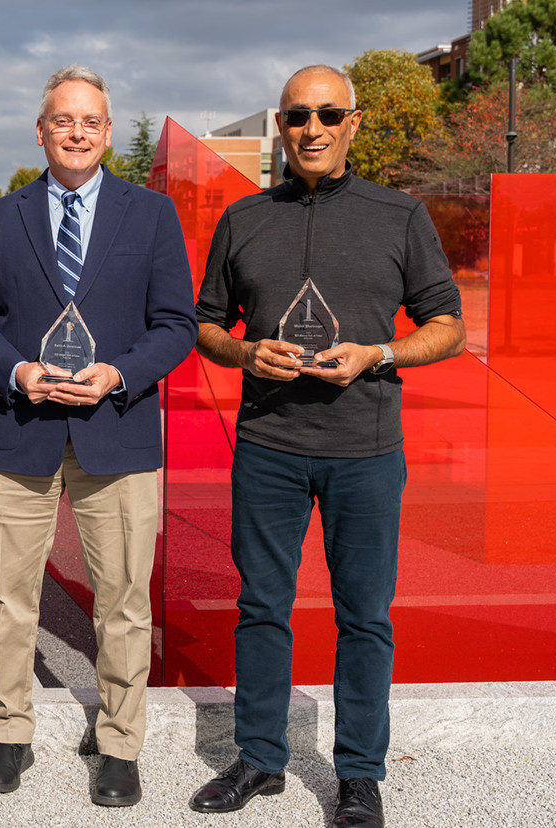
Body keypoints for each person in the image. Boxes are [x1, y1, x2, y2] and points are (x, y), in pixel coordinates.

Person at [188, 65, 465, 828]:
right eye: (298, 116)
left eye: (328, 114)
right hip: (269, 445)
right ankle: (260, 759)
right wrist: (246, 354)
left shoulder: (400, 215)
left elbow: (449, 327)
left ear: (354, 123)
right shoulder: (244, 219)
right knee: (262, 607)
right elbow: (206, 323)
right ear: (281, 125)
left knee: (365, 617)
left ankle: (359, 778)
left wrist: (377, 353)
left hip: (366, 450)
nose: (312, 129)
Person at [0, 65, 196, 805]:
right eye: (64, 120)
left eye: (92, 121)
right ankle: (9, 733)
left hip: (115, 431)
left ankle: (120, 743)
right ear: (41, 131)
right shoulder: (2, 218)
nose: (79, 132)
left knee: (123, 599)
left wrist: (118, 375)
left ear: (104, 130)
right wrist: (19, 371)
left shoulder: (150, 216)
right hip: (18, 429)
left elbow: (176, 326)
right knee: (8, 595)